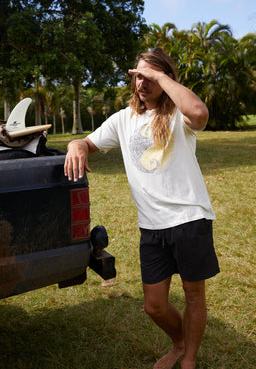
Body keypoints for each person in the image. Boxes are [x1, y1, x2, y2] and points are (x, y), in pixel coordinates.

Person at [64, 47, 219, 369]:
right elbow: (88, 143)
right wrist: (75, 144)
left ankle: (188, 359)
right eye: (136, 76)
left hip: (189, 218)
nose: (140, 83)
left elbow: (200, 114)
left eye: (148, 77)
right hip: (151, 225)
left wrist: (159, 75)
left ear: (165, 79)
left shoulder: (178, 114)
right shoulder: (124, 119)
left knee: (193, 296)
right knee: (154, 306)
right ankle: (179, 342)